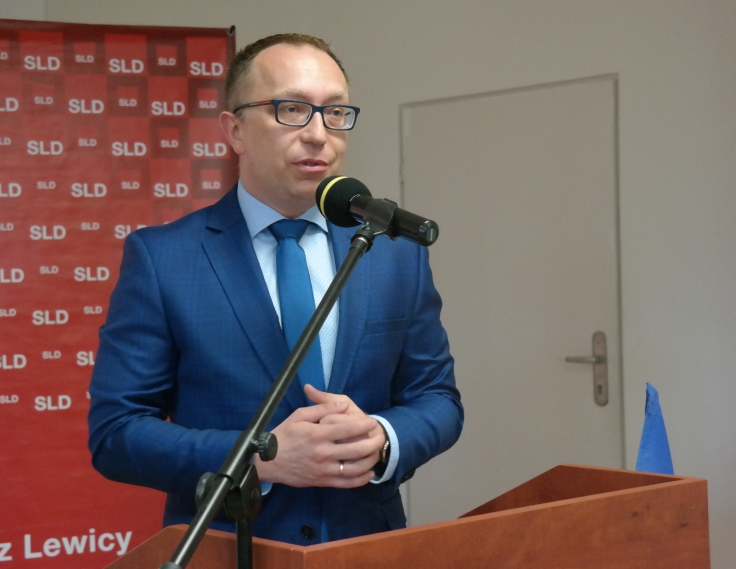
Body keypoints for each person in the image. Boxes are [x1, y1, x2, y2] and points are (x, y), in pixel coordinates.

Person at [87, 33, 463, 546]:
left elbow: (437, 399)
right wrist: (259, 457)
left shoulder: (393, 253)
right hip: (233, 547)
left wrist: (383, 439)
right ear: (235, 130)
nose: (318, 134)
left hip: (365, 545)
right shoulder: (164, 258)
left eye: (335, 112)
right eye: (292, 110)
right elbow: (116, 433)